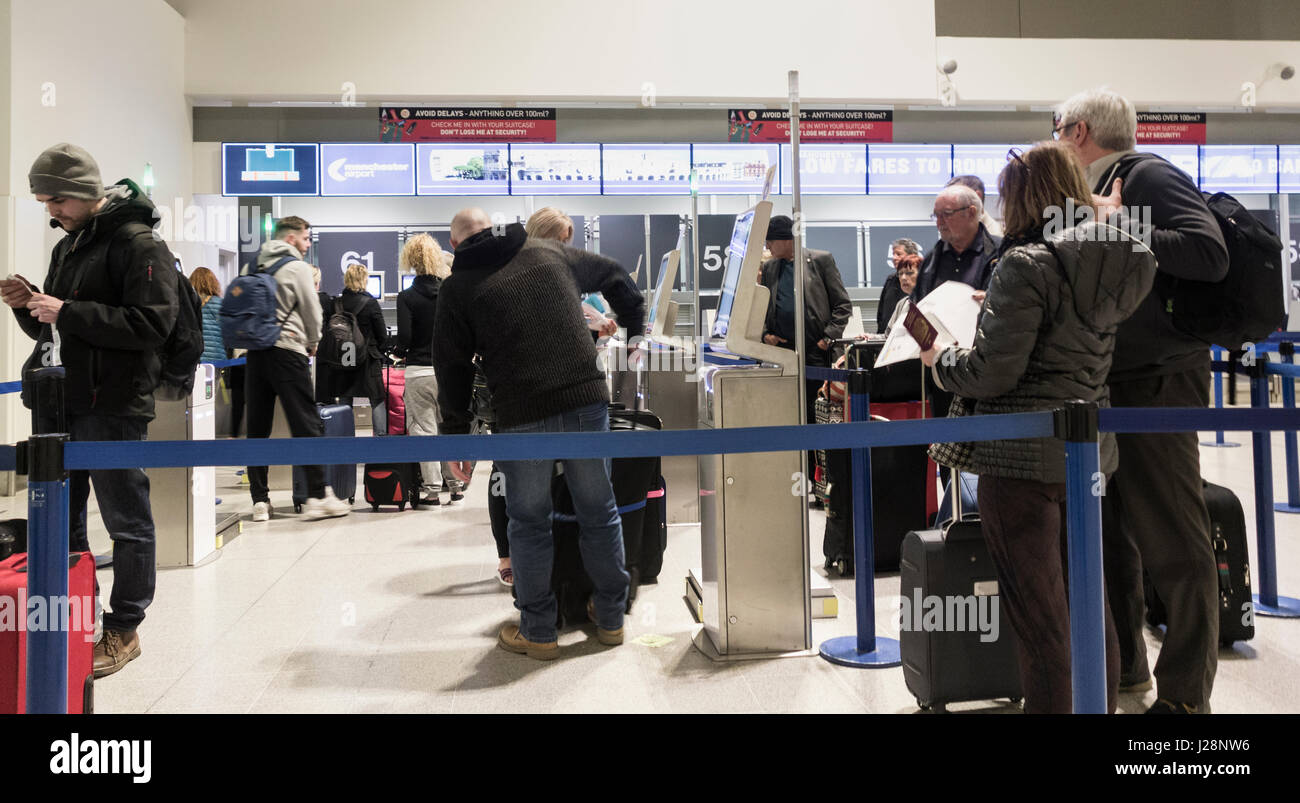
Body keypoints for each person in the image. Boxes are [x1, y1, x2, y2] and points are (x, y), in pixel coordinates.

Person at [920, 140, 1157, 714]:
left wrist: (940, 360)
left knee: (1039, 616)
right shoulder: (1115, 259)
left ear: (1021, 197)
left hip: (1020, 459)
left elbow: (991, 373)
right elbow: (1066, 337)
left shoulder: (1024, 264)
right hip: (1085, 455)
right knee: (1088, 606)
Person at [1056, 87, 1229, 714]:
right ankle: (1125, 669)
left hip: (1157, 382)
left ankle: (1186, 697)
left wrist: (1120, 224)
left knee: (1174, 539)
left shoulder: (1150, 174)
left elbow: (1209, 253)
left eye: (1056, 131)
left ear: (1078, 131)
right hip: (1109, 381)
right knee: (1112, 538)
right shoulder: (1100, 189)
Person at [432, 207, 644, 660]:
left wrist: (456, 436)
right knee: (599, 510)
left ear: (453, 246)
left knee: (528, 524)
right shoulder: (549, 251)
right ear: (493, 228)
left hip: (521, 412)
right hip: (586, 400)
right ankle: (610, 619)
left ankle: (539, 631)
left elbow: (450, 367)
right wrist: (636, 326)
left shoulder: (458, 287)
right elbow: (616, 275)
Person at [1, 144, 180, 678]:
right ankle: (77, 618)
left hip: (115, 403)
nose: (51, 211)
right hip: (61, 400)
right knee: (63, 518)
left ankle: (124, 628)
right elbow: (57, 329)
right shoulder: (71, 245)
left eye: (57, 199)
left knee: (126, 520)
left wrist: (68, 310)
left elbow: (153, 326)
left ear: (84, 192)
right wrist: (28, 305)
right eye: (43, 202)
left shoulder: (138, 243)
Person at [242, 216, 351, 523]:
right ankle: (318, 496)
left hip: (254, 353)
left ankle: (260, 501)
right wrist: (313, 341)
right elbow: (311, 310)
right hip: (288, 351)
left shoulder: (251, 268)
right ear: (290, 239)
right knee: (306, 423)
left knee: (258, 429)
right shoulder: (297, 268)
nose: (307, 245)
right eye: (305, 239)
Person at [758, 214, 853, 504]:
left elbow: (842, 305)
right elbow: (760, 306)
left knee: (815, 417)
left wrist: (827, 338)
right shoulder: (770, 268)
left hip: (816, 353)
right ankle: (793, 476)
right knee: (790, 416)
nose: (768, 246)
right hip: (782, 353)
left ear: (787, 239)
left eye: (770, 241)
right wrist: (765, 335)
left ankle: (819, 481)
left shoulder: (820, 261)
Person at [915, 185, 1004, 418]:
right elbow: (915, 309)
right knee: (945, 447)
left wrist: (993, 301)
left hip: (984, 370)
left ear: (972, 212)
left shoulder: (1002, 253)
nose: (939, 222)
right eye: (936, 215)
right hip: (941, 372)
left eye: (947, 214)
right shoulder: (931, 261)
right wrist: (924, 345)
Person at [393, 234, 463, 505]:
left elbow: (405, 339)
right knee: (448, 428)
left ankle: (432, 491)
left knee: (423, 429)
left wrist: (397, 352)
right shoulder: (450, 294)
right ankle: (456, 486)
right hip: (448, 372)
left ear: (410, 260)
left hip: (418, 372)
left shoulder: (406, 297)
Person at [319, 262, 392, 431]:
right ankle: (381, 442)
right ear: (364, 280)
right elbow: (382, 334)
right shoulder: (370, 303)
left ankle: (345, 439)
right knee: (377, 399)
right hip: (367, 360)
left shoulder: (336, 303)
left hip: (343, 359)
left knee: (345, 399)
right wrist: (379, 351)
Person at [877, 251, 922, 334]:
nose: (903, 277)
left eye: (909, 273)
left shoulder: (930, 302)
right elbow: (888, 336)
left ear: (922, 275)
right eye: (900, 274)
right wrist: (871, 337)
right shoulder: (902, 304)